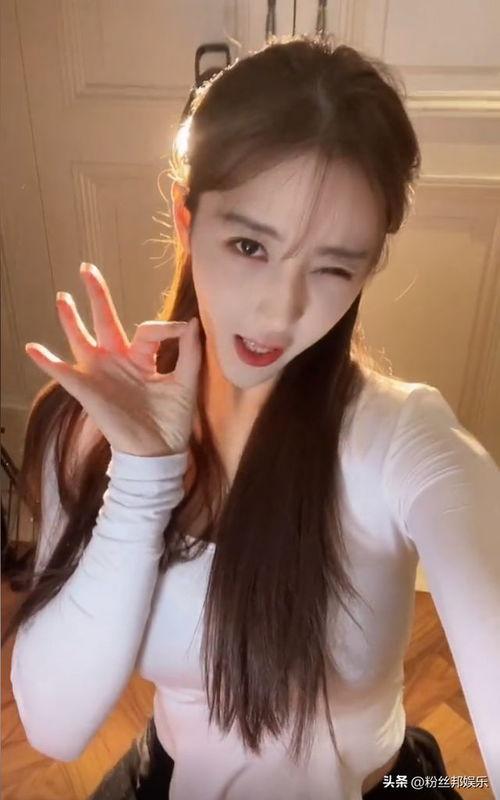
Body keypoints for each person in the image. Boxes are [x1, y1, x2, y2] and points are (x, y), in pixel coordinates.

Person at [3, 34, 499, 800]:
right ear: (186, 217)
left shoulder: (404, 441)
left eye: (333, 267)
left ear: (368, 267)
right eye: (248, 245)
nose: (281, 310)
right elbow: (53, 727)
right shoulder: (91, 427)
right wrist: (142, 477)